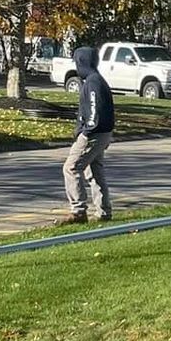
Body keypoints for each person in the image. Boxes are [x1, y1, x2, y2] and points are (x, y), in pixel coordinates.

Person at [63, 45, 115, 222]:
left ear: (81, 62)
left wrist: (86, 131)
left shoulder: (93, 82)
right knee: (94, 170)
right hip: (102, 132)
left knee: (71, 167)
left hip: (94, 133)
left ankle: (78, 211)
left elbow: (95, 109)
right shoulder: (96, 80)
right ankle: (104, 211)